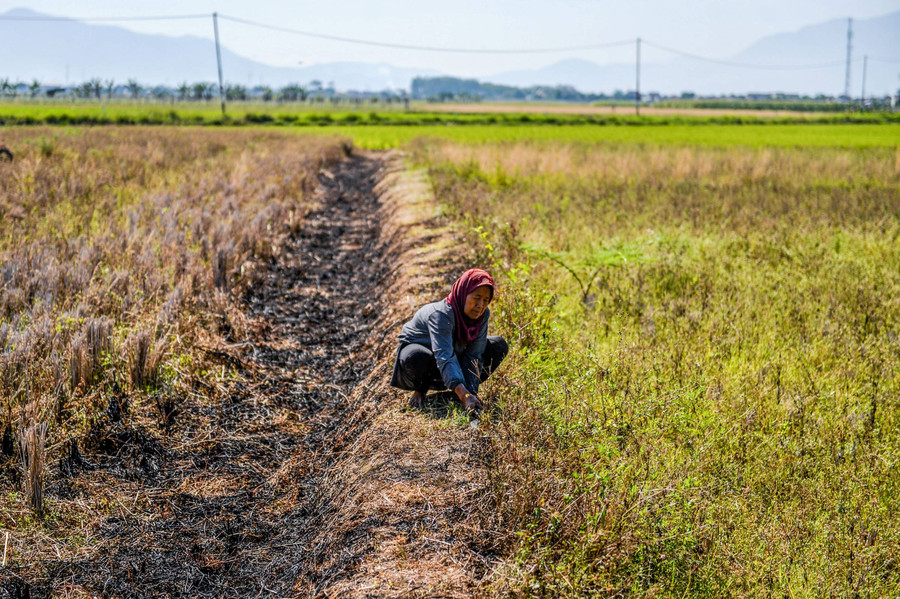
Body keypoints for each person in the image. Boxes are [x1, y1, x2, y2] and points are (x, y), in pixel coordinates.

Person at [390, 268, 508, 413]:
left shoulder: (483, 315)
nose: (480, 305)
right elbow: (444, 355)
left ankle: (457, 391)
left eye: (486, 300)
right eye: (476, 298)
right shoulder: (441, 314)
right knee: (415, 356)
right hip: (427, 360)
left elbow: (474, 354)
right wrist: (465, 396)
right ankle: (421, 389)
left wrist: (470, 393)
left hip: (453, 354)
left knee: (498, 345)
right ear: (463, 294)